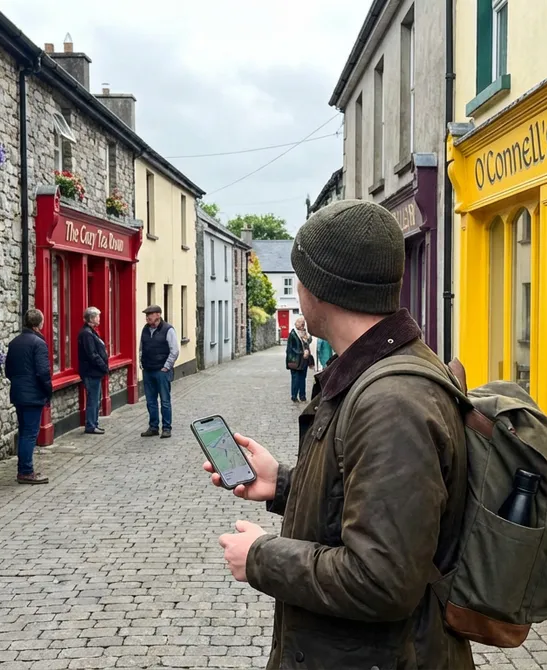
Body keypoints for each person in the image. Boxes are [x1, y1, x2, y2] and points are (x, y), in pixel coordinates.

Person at [203, 199, 473, 669]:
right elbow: (377, 507)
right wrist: (283, 483)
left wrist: (262, 558)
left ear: (322, 289)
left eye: (302, 276)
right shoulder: (377, 372)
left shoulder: (392, 401)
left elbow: (383, 579)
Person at [6, 309, 52, 485]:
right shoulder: (38, 343)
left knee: (24, 430)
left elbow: (8, 371)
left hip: (18, 393)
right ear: (39, 323)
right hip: (33, 394)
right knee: (30, 434)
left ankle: (24, 468)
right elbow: (43, 372)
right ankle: (25, 471)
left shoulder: (14, 342)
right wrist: (48, 391)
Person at [139, 305, 178, 439]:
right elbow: (141, 347)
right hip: (148, 370)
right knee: (150, 401)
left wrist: (166, 367)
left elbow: (174, 351)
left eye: (150, 314)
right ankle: (153, 427)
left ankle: (166, 428)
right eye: (146, 315)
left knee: (165, 401)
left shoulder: (168, 329)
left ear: (158, 315)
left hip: (162, 371)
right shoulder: (145, 329)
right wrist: (141, 363)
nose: (147, 317)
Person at [78, 306, 109, 435]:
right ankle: (91, 425)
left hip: (95, 372)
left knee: (96, 399)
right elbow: (92, 354)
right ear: (91, 318)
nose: (99, 319)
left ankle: (94, 423)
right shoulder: (86, 333)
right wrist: (103, 366)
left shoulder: (91, 331)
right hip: (91, 372)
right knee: (93, 399)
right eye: (97, 316)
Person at [285, 316, 312, 402]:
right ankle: (294, 396)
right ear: (296, 324)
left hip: (304, 360)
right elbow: (291, 348)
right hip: (295, 361)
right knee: (296, 379)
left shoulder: (304, 333)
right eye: (301, 324)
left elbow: (308, 341)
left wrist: (307, 337)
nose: (302, 326)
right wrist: (302, 353)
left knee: (303, 378)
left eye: (303, 324)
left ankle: (302, 396)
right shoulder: (293, 334)